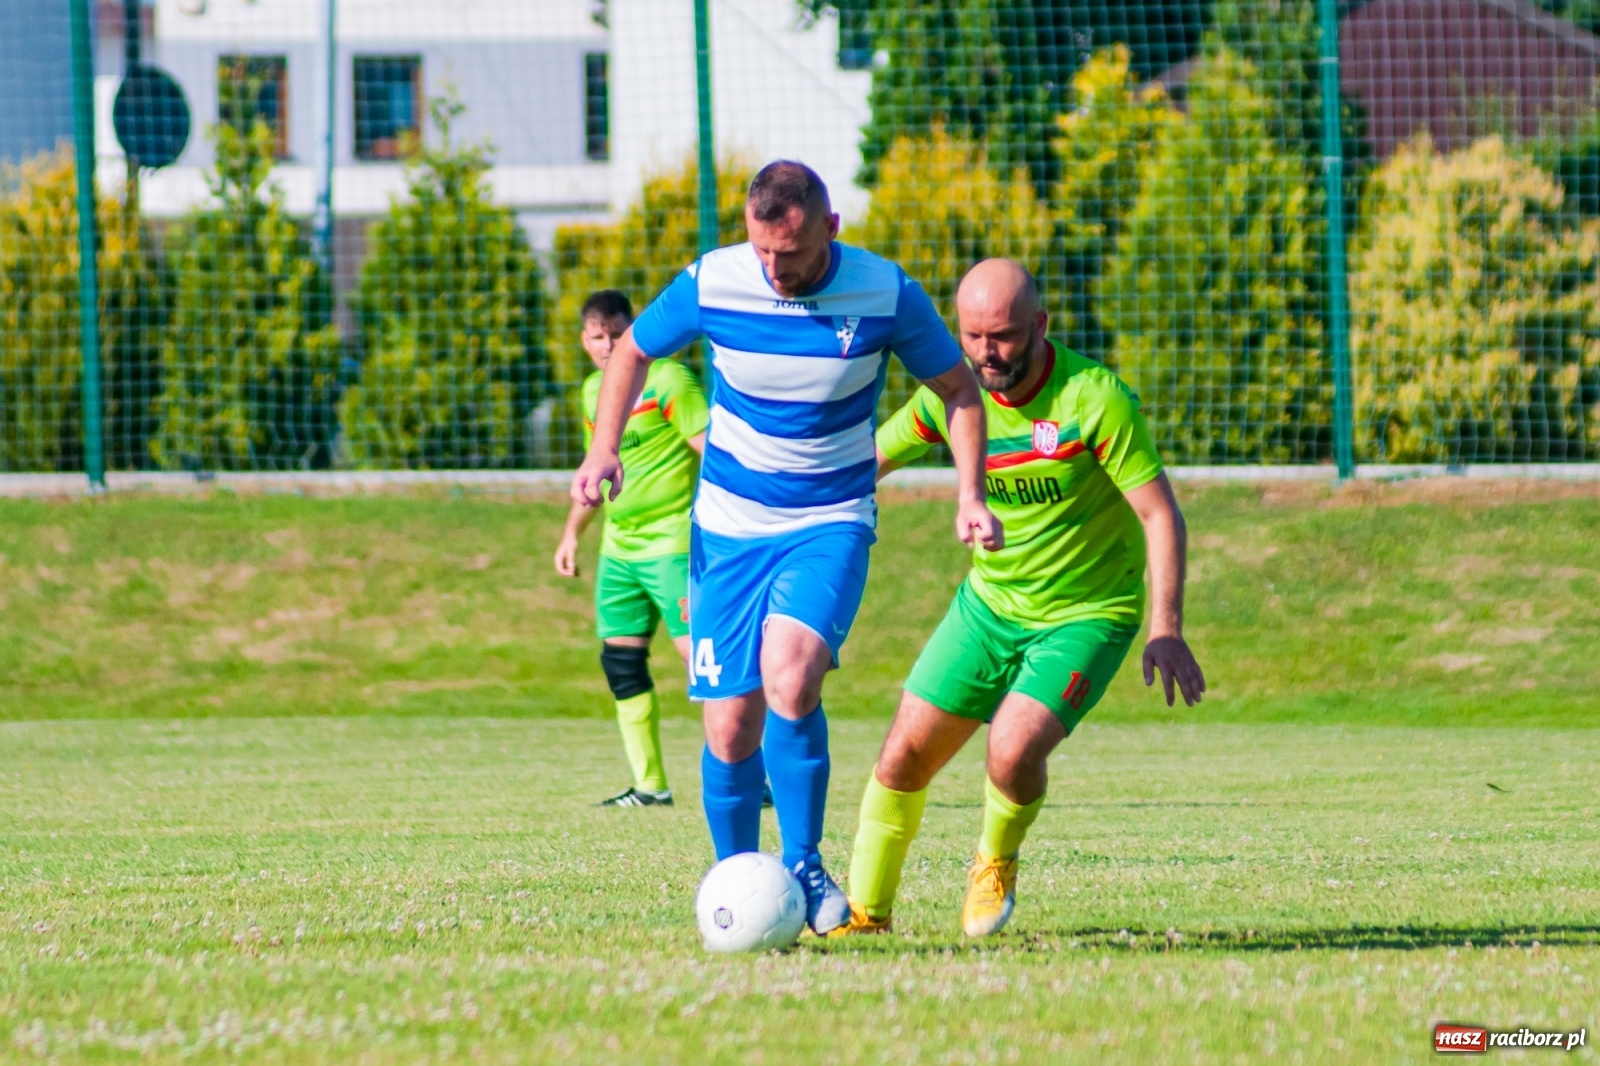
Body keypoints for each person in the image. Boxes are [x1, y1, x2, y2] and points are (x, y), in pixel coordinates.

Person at [572, 161, 999, 934]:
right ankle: (734, 884)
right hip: (727, 528)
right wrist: (605, 449)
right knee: (729, 725)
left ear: (830, 229)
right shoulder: (715, 280)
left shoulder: (885, 291)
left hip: (829, 519)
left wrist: (970, 493)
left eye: (793, 256)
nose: (775, 271)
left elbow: (959, 391)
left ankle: (802, 862)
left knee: (792, 677)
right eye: (763, 252)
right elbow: (632, 351)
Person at [832, 258, 1206, 937]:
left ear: (1040, 324)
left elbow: (1160, 516)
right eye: (971, 337)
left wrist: (1166, 627)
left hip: (1086, 615)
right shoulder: (950, 397)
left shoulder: (1094, 400)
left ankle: (994, 862)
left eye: (1001, 336)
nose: (984, 354)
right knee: (901, 756)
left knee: (1010, 749)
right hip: (988, 607)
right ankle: (864, 915)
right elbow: (862, 462)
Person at [556, 290, 707, 808]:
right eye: (598, 337)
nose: (608, 345)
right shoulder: (594, 392)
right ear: (584, 340)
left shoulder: (668, 380)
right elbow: (597, 466)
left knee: (705, 663)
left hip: (675, 545)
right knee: (621, 663)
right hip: (619, 553)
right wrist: (573, 532)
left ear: (635, 328)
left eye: (617, 334)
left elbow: (709, 451)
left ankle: (751, 778)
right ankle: (650, 787)